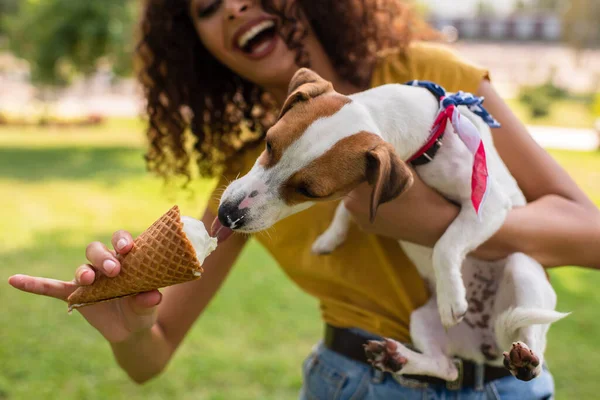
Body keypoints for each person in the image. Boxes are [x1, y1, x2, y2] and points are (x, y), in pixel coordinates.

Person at [8, 1, 600, 398]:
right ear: (200, 46)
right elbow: (150, 360)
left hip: (510, 378)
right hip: (363, 380)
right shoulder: (245, 185)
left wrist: (440, 226)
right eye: (206, 8)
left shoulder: (432, 82)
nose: (234, 6)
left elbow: (589, 235)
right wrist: (130, 330)